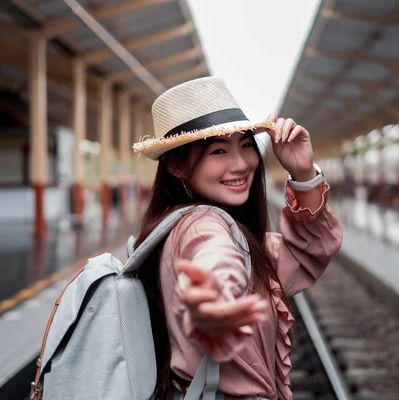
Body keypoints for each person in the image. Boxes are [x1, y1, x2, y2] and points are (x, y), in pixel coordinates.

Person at [132, 77, 343, 400]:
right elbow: (215, 258)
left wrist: (303, 174)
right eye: (218, 150)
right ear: (176, 165)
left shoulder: (222, 232)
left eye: (246, 145)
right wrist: (213, 299)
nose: (241, 164)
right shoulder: (203, 225)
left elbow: (306, 253)